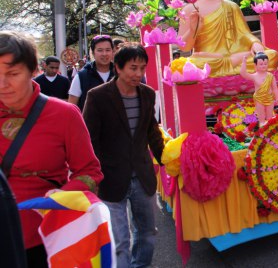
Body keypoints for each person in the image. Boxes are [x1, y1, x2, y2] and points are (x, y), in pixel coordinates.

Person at [0, 31, 103, 267]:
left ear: (33, 70)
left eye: (12, 74)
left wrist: (61, 197)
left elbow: (90, 173)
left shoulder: (64, 114)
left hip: (44, 239)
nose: (2, 84)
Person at [83, 42, 165, 268]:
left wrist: (165, 160)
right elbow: (89, 139)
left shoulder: (148, 94)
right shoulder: (97, 96)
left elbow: (152, 131)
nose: (138, 74)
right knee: (119, 239)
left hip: (142, 175)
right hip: (110, 178)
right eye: (133, 67)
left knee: (147, 233)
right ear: (118, 67)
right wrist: (92, 176)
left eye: (142, 68)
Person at [178, 0, 278, 77]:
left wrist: (255, 43)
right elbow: (183, 47)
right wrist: (193, 30)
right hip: (208, 60)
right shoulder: (189, 10)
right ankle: (231, 68)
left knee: (271, 55)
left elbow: (244, 34)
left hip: (233, 57)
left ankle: (230, 67)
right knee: (188, 65)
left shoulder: (231, 7)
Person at [68, 35, 115, 111]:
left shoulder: (120, 74)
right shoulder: (81, 77)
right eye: (100, 50)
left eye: (108, 50)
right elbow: (71, 107)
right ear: (93, 53)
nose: (104, 54)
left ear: (113, 52)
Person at [241, 52, 278, 125]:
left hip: (269, 98)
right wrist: (244, 61)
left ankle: (269, 131)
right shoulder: (255, 76)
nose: (264, 66)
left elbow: (274, 88)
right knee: (261, 119)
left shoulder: (270, 76)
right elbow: (243, 74)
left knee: (270, 119)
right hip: (259, 99)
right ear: (255, 65)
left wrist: (277, 98)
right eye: (261, 64)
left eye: (265, 63)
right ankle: (262, 129)